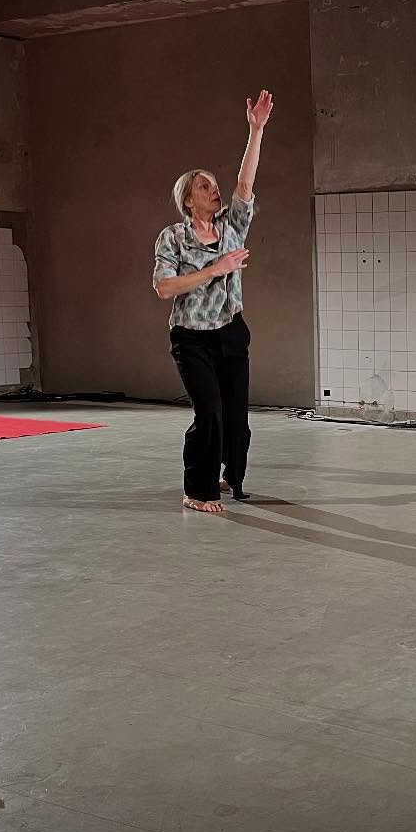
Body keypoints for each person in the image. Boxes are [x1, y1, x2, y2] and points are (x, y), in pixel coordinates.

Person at [152, 89, 274, 514]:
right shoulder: (173, 237)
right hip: (192, 339)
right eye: (205, 187)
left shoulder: (232, 227)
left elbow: (246, 184)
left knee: (236, 420)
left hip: (231, 333)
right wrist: (215, 269)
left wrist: (256, 130)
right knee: (210, 414)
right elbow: (164, 287)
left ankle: (231, 478)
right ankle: (197, 490)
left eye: (214, 185)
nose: (214, 191)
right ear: (189, 199)